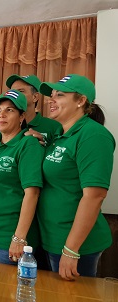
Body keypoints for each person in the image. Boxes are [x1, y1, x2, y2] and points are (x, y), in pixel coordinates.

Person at [38, 74, 115, 280]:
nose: (51, 100)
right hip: (51, 239)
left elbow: (95, 196)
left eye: (60, 95)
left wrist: (71, 250)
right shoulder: (59, 135)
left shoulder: (93, 136)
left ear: (81, 101)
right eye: (51, 95)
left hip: (75, 246)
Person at [0, 90, 44, 264]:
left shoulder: (28, 144)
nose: (2, 115)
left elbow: (32, 193)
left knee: (7, 290)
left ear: (22, 117)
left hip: (11, 236)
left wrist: (19, 238)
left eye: (10, 110)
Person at [6, 74, 62, 145]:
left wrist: (46, 146)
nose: (14, 95)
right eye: (11, 92)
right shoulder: (3, 125)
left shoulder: (54, 127)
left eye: (21, 91)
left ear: (35, 97)